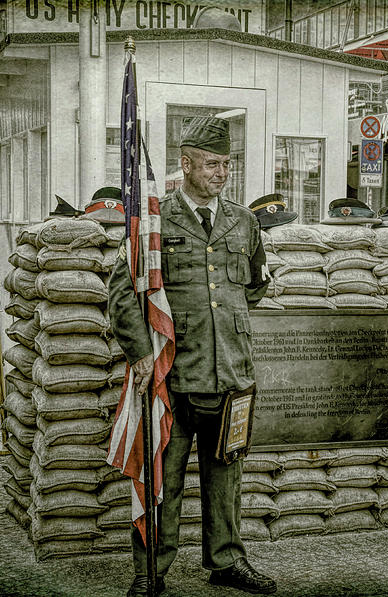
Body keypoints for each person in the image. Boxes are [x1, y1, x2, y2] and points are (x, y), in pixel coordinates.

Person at [108, 116, 275, 596]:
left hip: (229, 373)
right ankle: (150, 571)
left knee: (226, 478)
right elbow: (123, 295)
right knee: (164, 479)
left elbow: (255, 286)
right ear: (185, 164)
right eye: (211, 164)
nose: (222, 173)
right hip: (172, 376)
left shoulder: (243, 221)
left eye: (227, 164)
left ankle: (226, 561)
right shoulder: (154, 222)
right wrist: (142, 353)